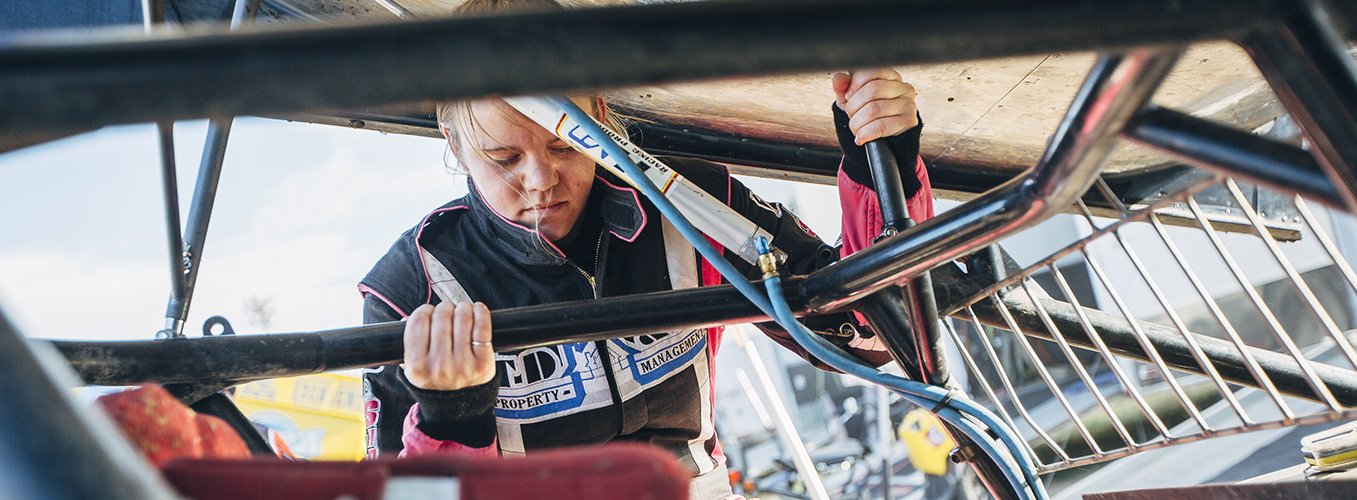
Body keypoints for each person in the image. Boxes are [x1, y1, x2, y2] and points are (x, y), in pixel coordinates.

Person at [359, 2, 932, 499]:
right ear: (456, 147)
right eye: (504, 158)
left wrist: (880, 162)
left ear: (600, 116)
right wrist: (450, 420)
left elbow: (866, 336)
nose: (540, 180)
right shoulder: (409, 290)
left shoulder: (692, 203)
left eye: (564, 143)